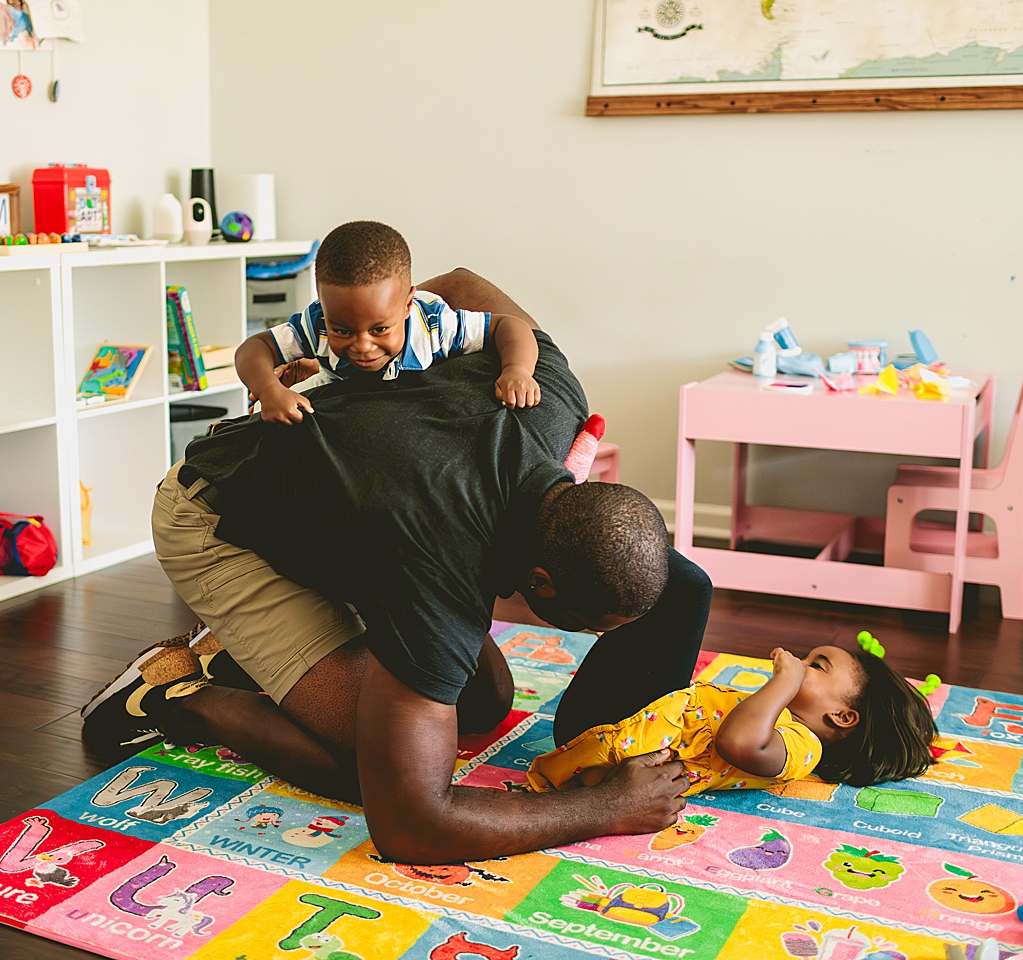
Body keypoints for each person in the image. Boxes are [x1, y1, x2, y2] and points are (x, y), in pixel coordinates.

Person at [82, 267, 714, 864]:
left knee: (485, 703)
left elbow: (461, 284)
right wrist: (603, 807)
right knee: (372, 769)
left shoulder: (547, 396)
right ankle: (177, 698)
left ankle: (248, 653)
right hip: (219, 520)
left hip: (344, 515)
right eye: (587, 626)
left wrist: (391, 336)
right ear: (541, 584)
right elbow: (410, 824)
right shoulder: (438, 566)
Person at [527, 638, 938, 795]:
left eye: (817, 666)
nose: (800, 661)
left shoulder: (802, 749)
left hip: (612, 737)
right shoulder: (778, 717)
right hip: (611, 727)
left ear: (843, 718)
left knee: (688, 588)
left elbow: (738, 743)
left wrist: (784, 681)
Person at [235, 221, 542, 424]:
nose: (362, 345)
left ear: (408, 304)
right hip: (338, 389)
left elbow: (510, 327)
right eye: (342, 330)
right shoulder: (316, 322)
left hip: (415, 402)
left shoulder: (436, 326)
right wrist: (268, 389)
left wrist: (517, 370)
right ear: (322, 304)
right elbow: (255, 346)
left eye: (379, 329)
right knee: (262, 414)